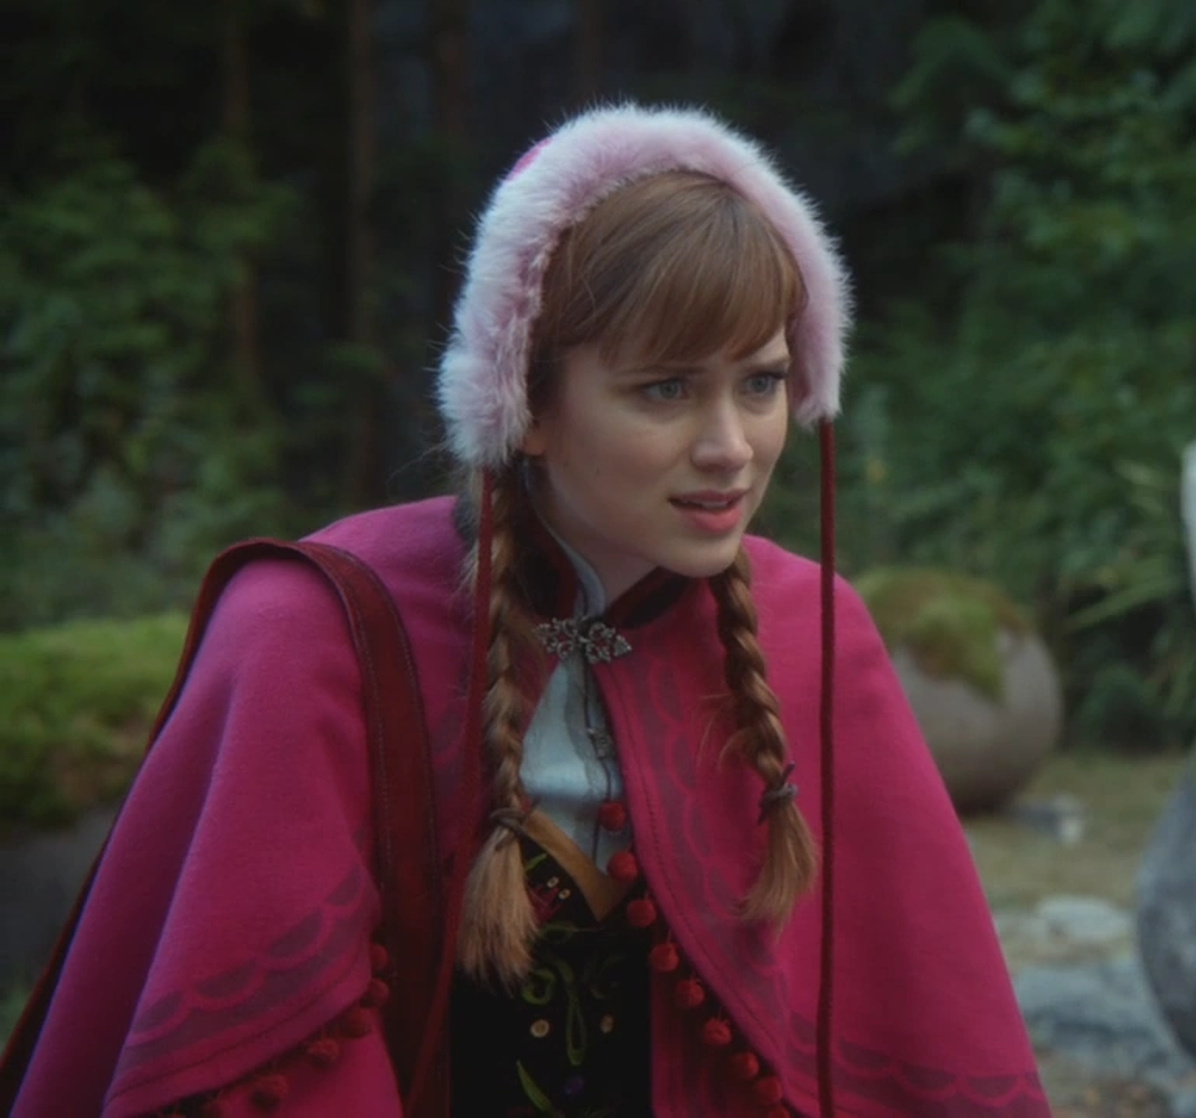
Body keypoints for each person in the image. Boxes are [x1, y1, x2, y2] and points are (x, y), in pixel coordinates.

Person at [1, 104, 1048, 1117]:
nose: (731, 446)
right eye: (666, 389)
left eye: (763, 382)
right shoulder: (314, 631)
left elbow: (920, 1035)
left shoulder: (813, 631)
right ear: (526, 401)